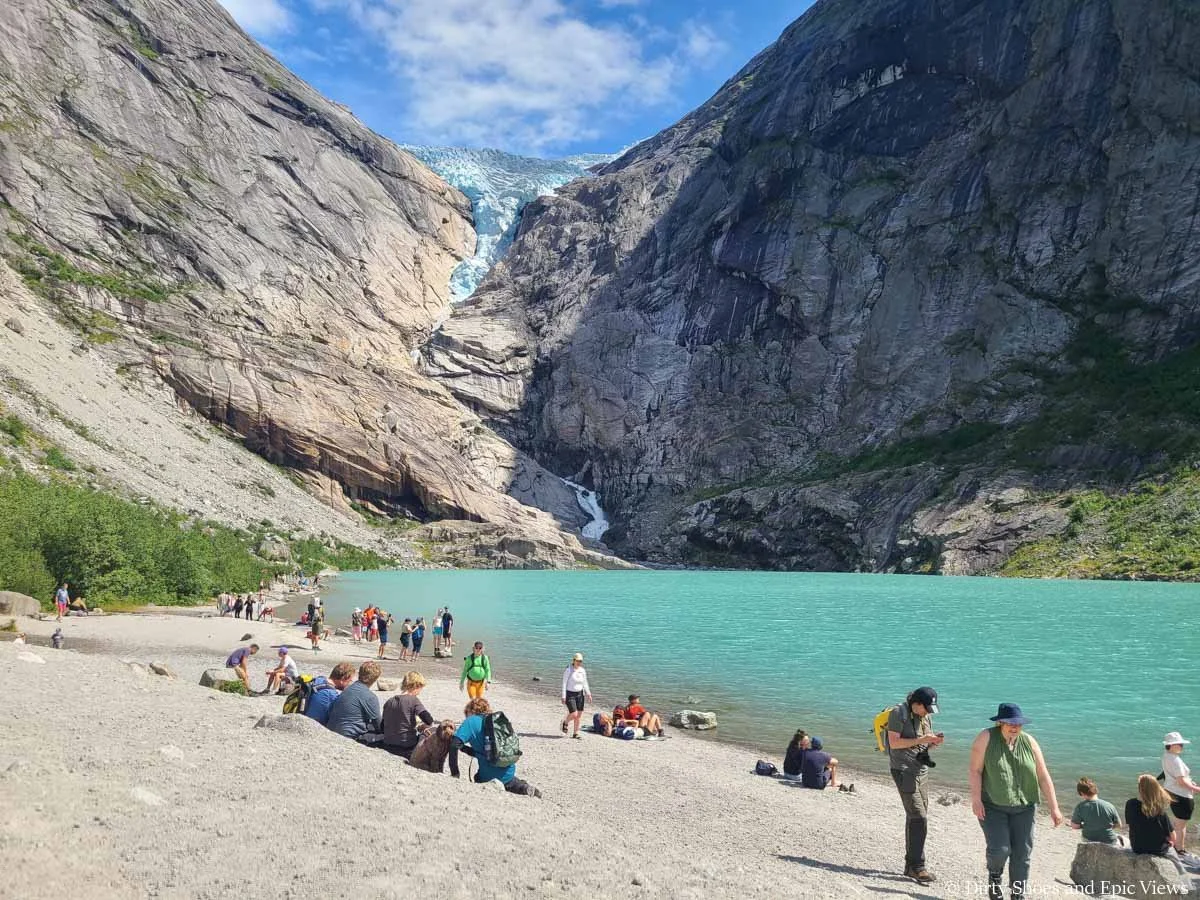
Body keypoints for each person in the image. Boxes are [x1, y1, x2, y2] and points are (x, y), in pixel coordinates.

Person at [968, 702, 1063, 900]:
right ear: (1000, 722)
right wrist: (976, 799)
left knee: (1022, 854)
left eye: (1019, 724)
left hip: (1025, 807)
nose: (1015, 727)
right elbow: (975, 770)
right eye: (1011, 723)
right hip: (992, 806)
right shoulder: (985, 738)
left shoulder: (1029, 741)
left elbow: (1043, 775)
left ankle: (1018, 894)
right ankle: (995, 877)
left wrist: (1054, 808)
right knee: (1000, 850)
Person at [886, 686, 944, 886]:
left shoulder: (925, 717)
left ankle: (911, 866)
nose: (928, 712)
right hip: (903, 770)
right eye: (926, 708)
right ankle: (918, 867)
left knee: (917, 817)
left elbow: (923, 744)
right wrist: (922, 739)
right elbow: (894, 743)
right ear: (916, 704)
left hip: (921, 770)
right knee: (919, 816)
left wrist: (933, 742)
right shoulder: (898, 713)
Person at [453, 697, 540, 796]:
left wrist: (455, 773)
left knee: (478, 777)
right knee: (511, 781)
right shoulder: (496, 721)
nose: (466, 717)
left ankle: (518, 786)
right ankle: (523, 788)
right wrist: (473, 752)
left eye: (466, 714)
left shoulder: (471, 721)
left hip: (487, 776)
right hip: (508, 772)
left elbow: (454, 743)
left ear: (471, 711)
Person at [381, 671, 458, 776]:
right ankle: (434, 760)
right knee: (433, 731)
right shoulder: (413, 700)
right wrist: (421, 726)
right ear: (416, 685)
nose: (420, 691)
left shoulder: (389, 701)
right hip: (406, 744)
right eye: (421, 687)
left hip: (388, 742)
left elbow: (382, 726)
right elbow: (429, 720)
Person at [1126, 774, 1183, 864]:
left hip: (1137, 847)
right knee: (1176, 861)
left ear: (1139, 788)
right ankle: (1181, 875)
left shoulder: (1130, 804)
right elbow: (1173, 837)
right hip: (1158, 850)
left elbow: (1130, 824)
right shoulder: (1159, 811)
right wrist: (1171, 841)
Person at [324, 661, 382, 743]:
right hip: (350, 736)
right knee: (384, 737)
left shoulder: (347, 689)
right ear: (375, 679)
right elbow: (379, 726)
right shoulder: (370, 697)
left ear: (359, 674)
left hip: (332, 730)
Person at [1161, 731, 1200, 854]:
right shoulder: (1176, 760)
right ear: (1171, 745)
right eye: (1179, 744)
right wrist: (1197, 789)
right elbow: (1181, 781)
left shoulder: (1166, 756)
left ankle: (1175, 844)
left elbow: (1174, 777)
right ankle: (1180, 849)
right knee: (1182, 824)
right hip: (1182, 794)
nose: (1182, 746)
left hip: (1171, 790)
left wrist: (1190, 783)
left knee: (1178, 821)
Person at [1070, 777, 1121, 845]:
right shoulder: (1109, 805)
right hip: (1109, 839)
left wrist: (1085, 826)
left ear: (1081, 793)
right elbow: (1119, 825)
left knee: (1085, 838)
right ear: (1095, 790)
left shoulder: (1080, 807)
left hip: (1089, 839)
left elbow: (1074, 826)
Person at [304, 661, 355, 726]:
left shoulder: (319, 679)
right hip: (313, 726)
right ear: (342, 679)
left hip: (304, 717)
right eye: (349, 681)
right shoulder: (331, 695)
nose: (349, 684)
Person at [560, 653, 592, 738]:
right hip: (570, 694)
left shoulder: (582, 670)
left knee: (579, 715)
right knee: (574, 714)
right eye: (577, 661)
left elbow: (585, 682)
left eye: (580, 661)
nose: (579, 662)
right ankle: (565, 722)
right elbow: (564, 683)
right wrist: (563, 696)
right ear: (573, 660)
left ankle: (575, 733)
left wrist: (588, 693)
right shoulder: (568, 670)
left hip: (580, 694)